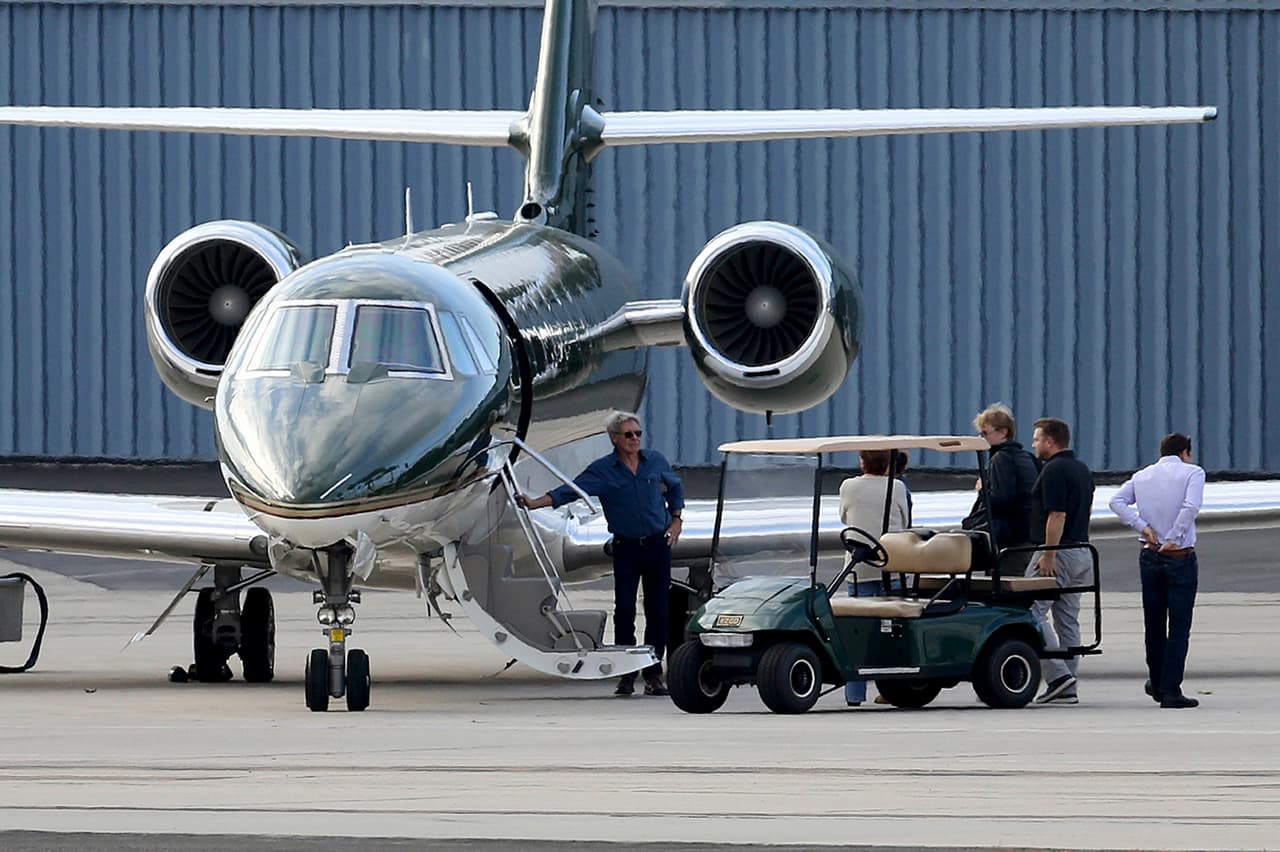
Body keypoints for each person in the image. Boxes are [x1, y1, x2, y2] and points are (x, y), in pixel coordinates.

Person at [516, 411, 684, 697]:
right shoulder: (602, 471)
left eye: (638, 434)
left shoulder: (654, 461)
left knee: (658, 611)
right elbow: (568, 491)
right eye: (628, 435)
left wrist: (677, 520)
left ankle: (654, 674)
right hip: (627, 547)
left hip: (658, 545)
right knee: (625, 611)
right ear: (614, 439)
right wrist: (534, 504)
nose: (635, 439)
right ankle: (626, 674)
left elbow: (675, 486)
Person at [1108, 433, 1204, 709]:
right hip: (1179, 555)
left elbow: (1117, 502)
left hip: (1148, 555)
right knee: (1179, 625)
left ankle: (1157, 681)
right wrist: (1174, 536)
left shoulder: (1142, 476)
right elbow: (1191, 507)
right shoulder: (1192, 473)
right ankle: (1171, 689)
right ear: (1185, 452)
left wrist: (1142, 526)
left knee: (1154, 622)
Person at [1027, 417, 1094, 705]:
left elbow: (1057, 515)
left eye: (1037, 439)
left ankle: (1058, 676)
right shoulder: (1081, 469)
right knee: (1068, 618)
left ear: (1050, 442)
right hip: (1082, 551)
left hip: (1060, 552)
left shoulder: (1054, 470)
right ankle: (1068, 682)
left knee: (1028, 612)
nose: (1034, 444)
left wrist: (1048, 554)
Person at [838, 449, 910, 706]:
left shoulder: (848, 486)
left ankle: (855, 693)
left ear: (862, 461)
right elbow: (905, 520)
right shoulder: (897, 487)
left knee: (858, 633)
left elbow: (844, 517)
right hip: (891, 563)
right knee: (891, 632)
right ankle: (891, 689)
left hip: (859, 569)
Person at [962, 403, 1040, 576]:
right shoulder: (1027, 457)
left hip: (1009, 537)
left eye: (985, 433)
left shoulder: (1001, 459)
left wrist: (983, 489)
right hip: (1028, 533)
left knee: (1002, 587)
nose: (981, 437)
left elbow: (1001, 499)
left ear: (1003, 432)